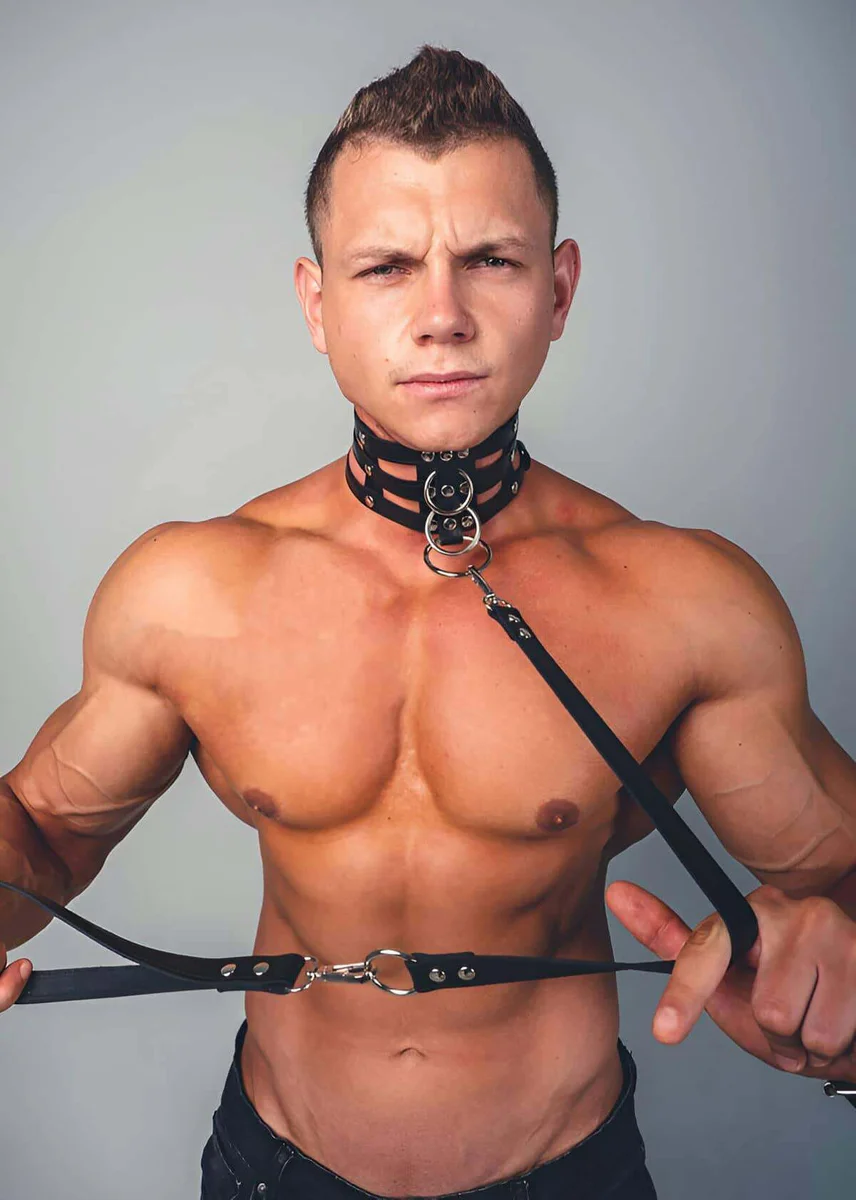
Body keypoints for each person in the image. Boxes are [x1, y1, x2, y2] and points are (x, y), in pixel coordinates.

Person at [2, 44, 855, 1200]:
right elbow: (42, 830)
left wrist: (834, 979)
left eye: (489, 260)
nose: (442, 316)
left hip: (566, 1173)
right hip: (273, 1167)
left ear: (557, 290)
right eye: (387, 266)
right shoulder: (191, 590)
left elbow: (841, 881)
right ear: (318, 303)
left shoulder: (685, 604)